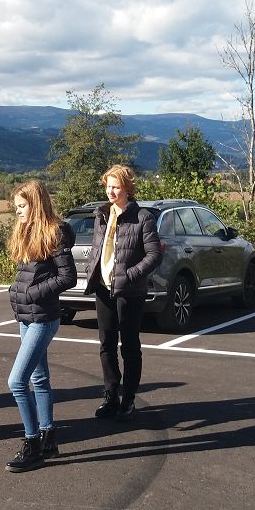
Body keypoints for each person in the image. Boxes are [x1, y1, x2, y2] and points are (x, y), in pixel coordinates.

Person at [4, 181, 77, 472]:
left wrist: (33, 293)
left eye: (22, 206)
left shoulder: (55, 232)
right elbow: (28, 275)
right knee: (39, 378)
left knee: (16, 382)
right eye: (16, 207)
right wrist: (17, 292)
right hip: (26, 316)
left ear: (36, 204)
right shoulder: (26, 230)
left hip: (43, 319)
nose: (18, 211)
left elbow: (67, 277)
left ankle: (32, 443)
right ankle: (49, 437)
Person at [82, 164, 162, 421]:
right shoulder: (102, 214)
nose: (111, 191)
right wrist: (92, 269)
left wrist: (129, 276)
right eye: (108, 186)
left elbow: (154, 255)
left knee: (129, 346)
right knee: (106, 344)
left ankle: (128, 398)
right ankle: (111, 396)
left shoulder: (143, 217)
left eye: (116, 187)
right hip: (103, 288)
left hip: (130, 292)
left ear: (127, 188)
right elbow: (98, 248)